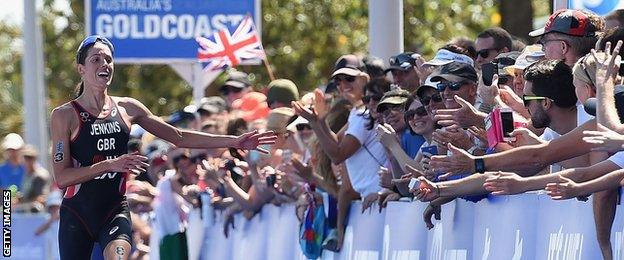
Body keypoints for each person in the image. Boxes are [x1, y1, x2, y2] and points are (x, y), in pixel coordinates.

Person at [49, 35, 276, 260]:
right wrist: (110, 164)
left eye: (108, 59)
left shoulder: (128, 108)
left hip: (114, 210)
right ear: (81, 69)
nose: (104, 65)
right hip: (77, 215)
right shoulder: (65, 116)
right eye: (96, 60)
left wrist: (235, 141)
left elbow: (178, 137)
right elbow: (63, 177)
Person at [530, 9, 602, 66]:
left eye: (544, 42)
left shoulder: (552, 82)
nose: (542, 49)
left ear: (563, 47)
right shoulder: (604, 78)